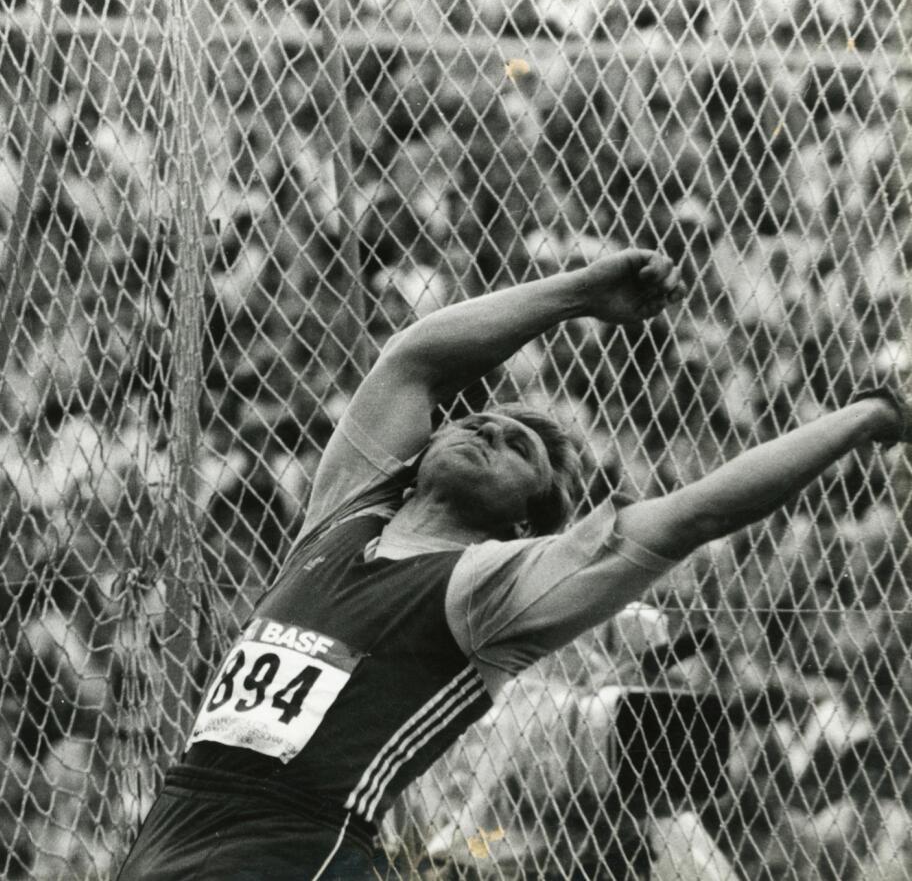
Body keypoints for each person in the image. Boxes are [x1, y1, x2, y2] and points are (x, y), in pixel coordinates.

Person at [116, 249, 910, 880]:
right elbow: (414, 360)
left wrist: (874, 413)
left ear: (528, 517)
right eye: (483, 418)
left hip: (294, 852)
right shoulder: (344, 513)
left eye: (519, 447)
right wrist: (576, 293)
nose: (489, 427)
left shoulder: (486, 588)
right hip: (169, 831)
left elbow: (697, 512)